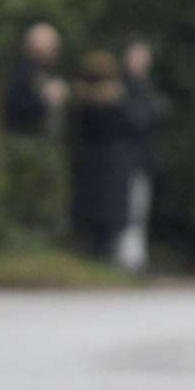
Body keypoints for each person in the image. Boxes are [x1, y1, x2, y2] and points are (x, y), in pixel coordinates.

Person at [2, 22, 71, 236]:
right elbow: (15, 107)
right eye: (51, 46)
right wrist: (44, 99)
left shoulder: (48, 74)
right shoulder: (23, 73)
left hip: (45, 145)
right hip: (23, 145)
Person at [69, 50, 133, 263]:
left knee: (92, 225)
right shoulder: (120, 100)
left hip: (90, 165)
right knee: (110, 226)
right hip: (113, 165)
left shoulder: (80, 101)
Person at [116, 39, 169, 274]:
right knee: (128, 209)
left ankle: (135, 257)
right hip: (126, 158)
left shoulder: (145, 86)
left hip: (143, 159)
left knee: (139, 209)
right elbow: (137, 119)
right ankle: (126, 258)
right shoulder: (124, 88)